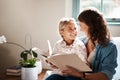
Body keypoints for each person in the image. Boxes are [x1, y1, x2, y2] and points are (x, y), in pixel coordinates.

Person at [46, 7, 118, 80]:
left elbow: (106, 76)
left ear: (90, 25)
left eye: (80, 25)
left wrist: (81, 75)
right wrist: (55, 62)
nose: (80, 29)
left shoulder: (109, 47)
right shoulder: (81, 40)